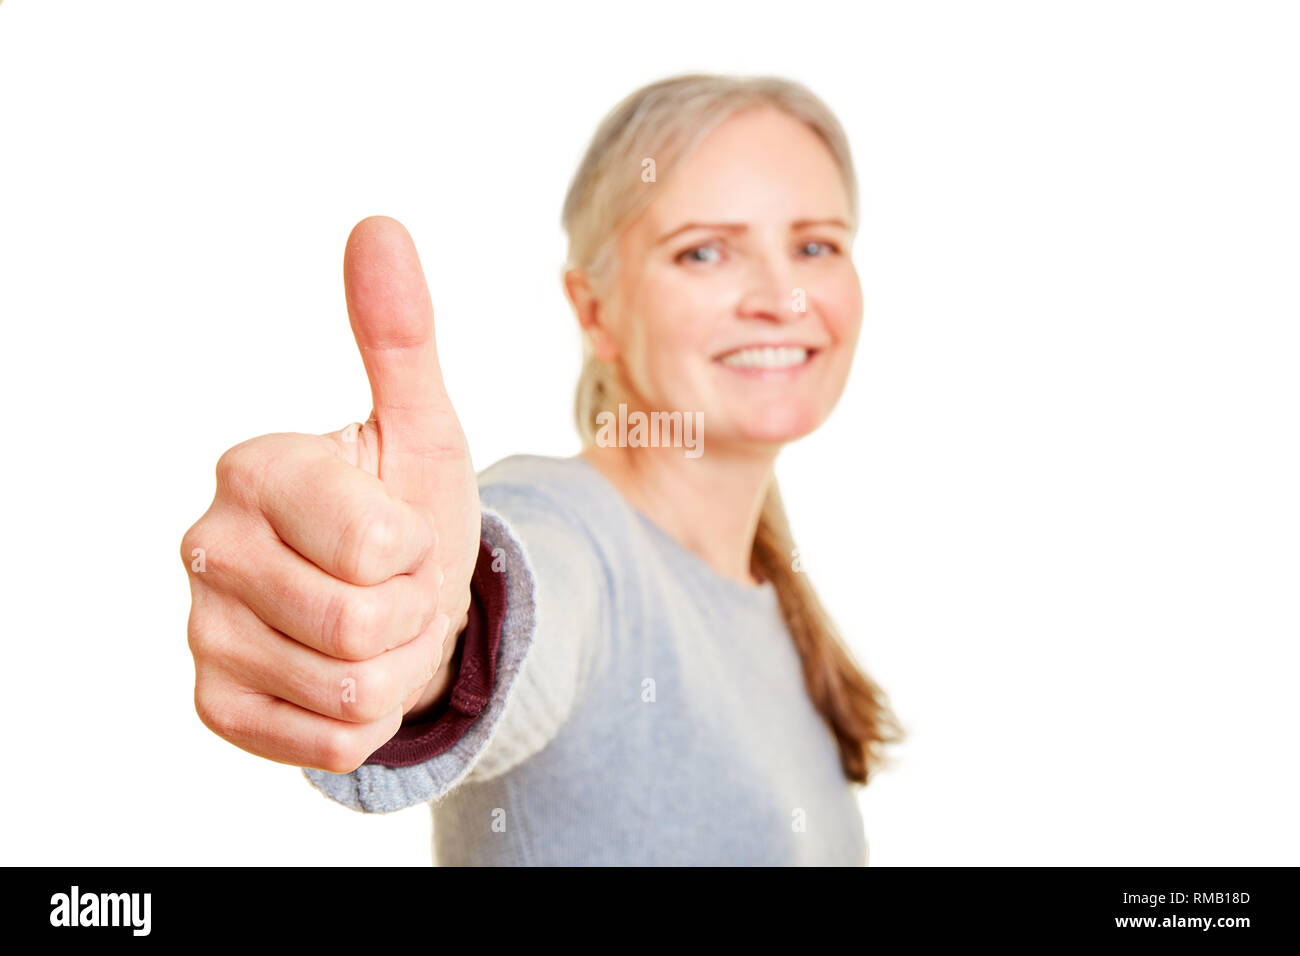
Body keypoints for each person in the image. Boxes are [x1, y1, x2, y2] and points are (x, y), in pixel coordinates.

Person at [180, 72, 904, 865]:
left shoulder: (774, 592)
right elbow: (511, 619)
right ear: (595, 312)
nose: (782, 297)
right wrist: (431, 643)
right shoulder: (566, 526)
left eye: (814, 245)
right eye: (704, 251)